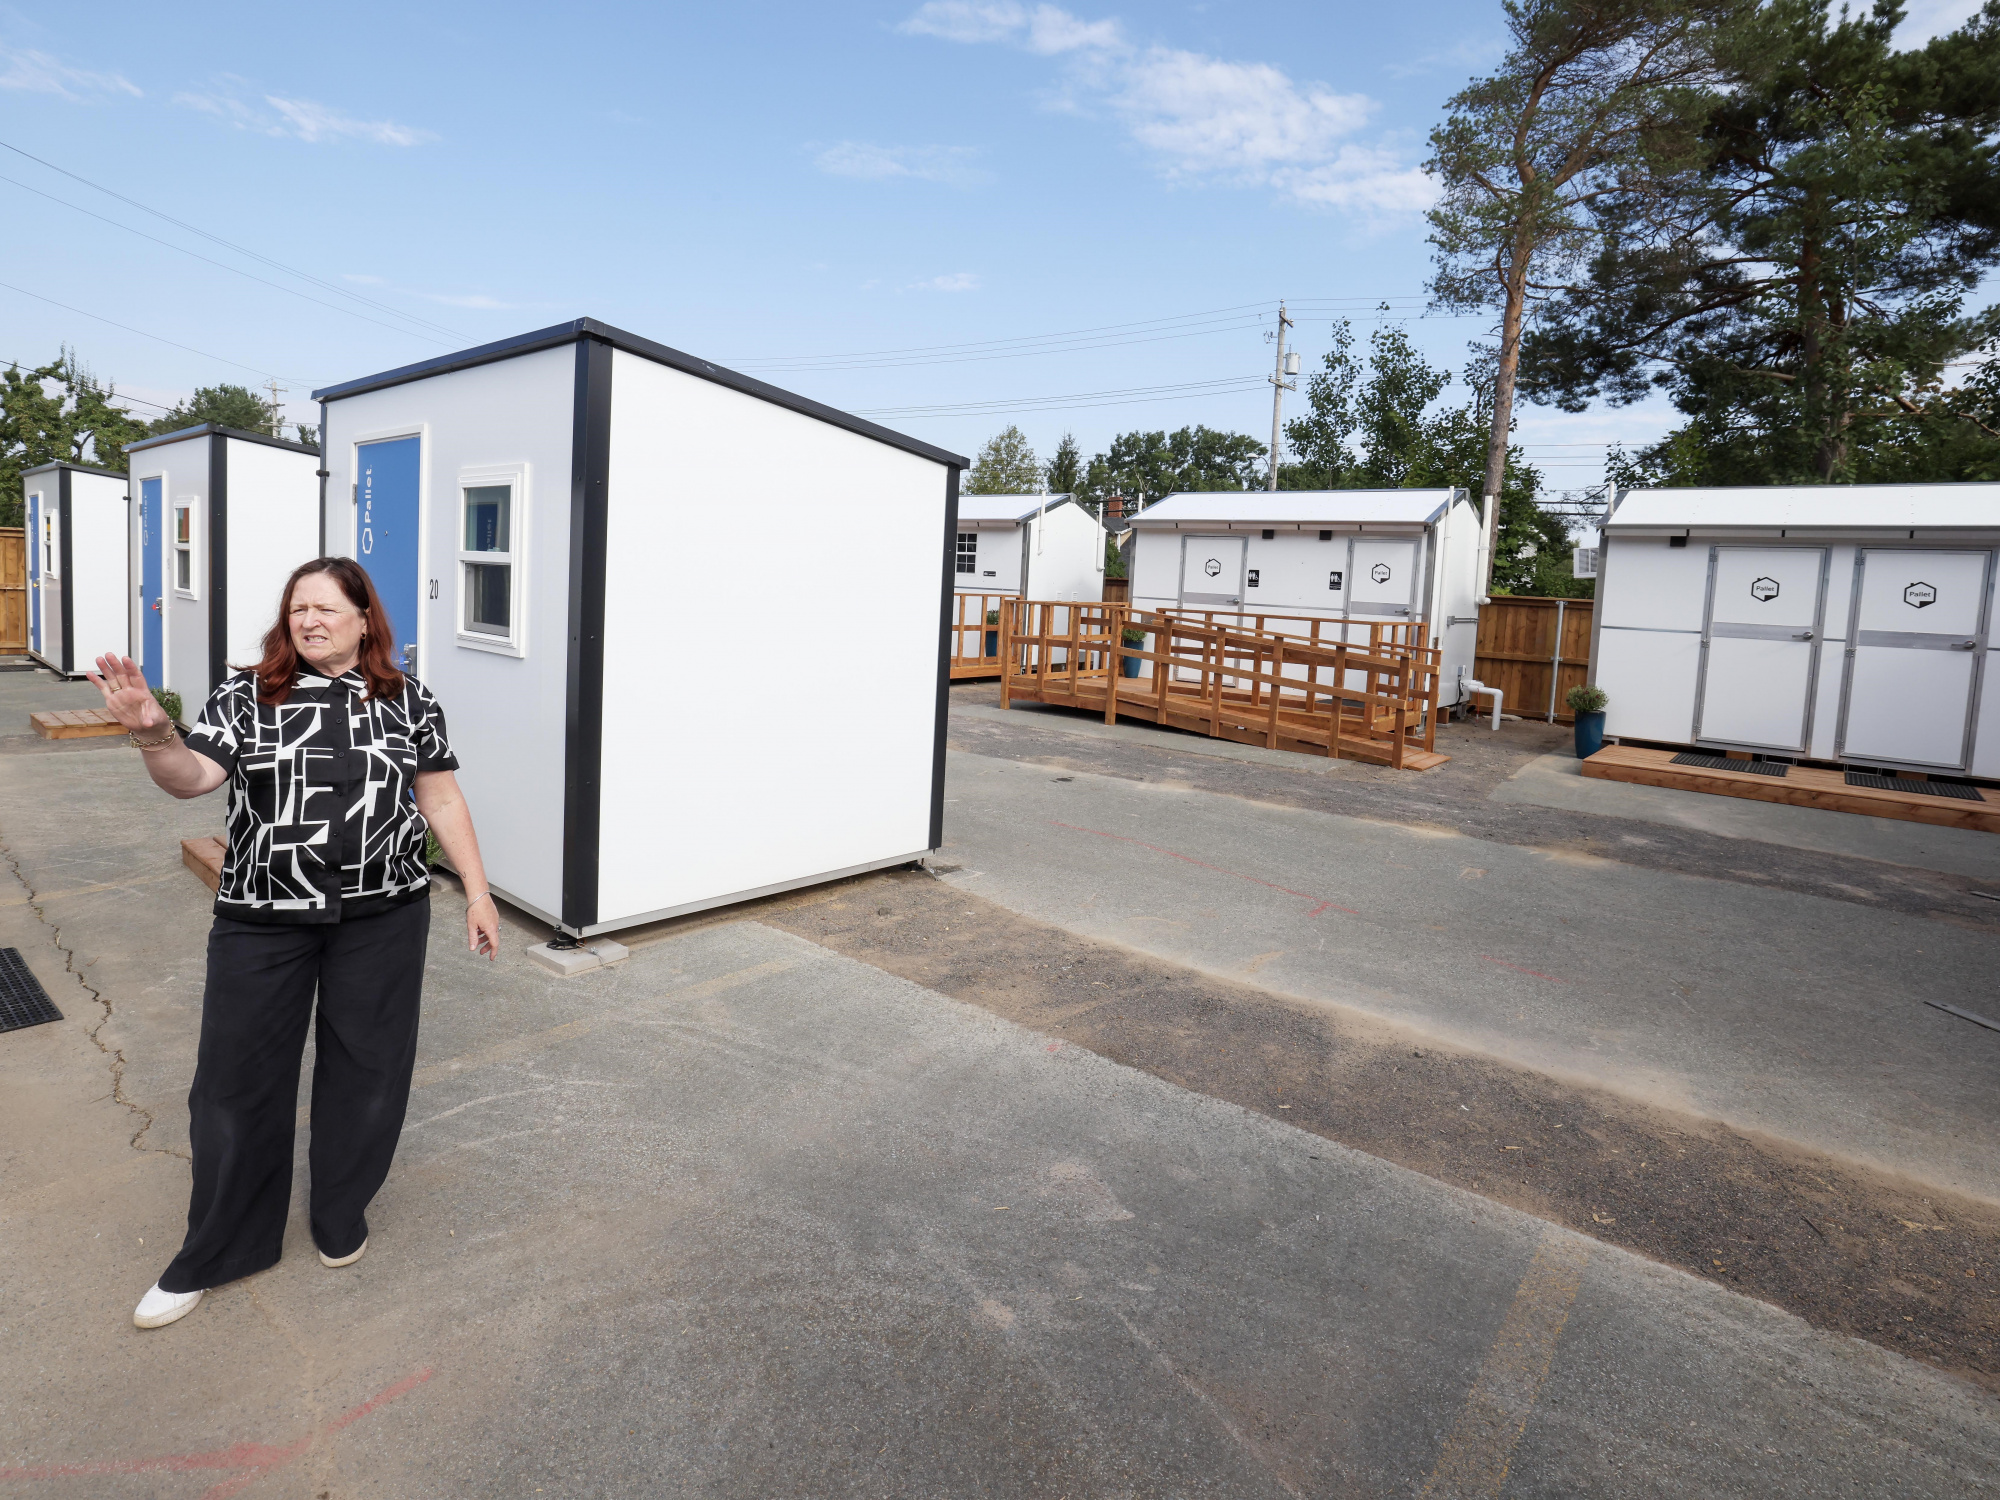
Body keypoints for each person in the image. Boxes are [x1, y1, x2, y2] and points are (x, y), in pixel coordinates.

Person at [86, 556, 501, 1330]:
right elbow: (193, 777)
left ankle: (340, 1213)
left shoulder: (409, 701)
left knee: (370, 1073)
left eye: (326, 608)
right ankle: (217, 1249)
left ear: (365, 619)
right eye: (297, 608)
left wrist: (476, 892)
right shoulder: (248, 693)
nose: (308, 620)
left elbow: (439, 796)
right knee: (234, 1083)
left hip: (384, 915)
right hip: (262, 918)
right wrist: (151, 734)